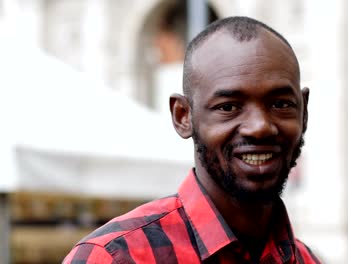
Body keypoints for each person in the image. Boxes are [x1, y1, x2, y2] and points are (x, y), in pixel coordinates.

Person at [63, 16, 321, 264]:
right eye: (229, 107)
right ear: (183, 116)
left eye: (280, 104)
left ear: (304, 113)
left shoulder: (307, 260)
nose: (260, 127)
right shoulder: (114, 258)